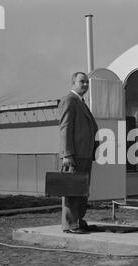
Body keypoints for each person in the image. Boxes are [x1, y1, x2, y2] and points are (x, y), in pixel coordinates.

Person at [58, 72, 98, 234]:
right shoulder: (69, 100)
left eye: (87, 82)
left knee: (82, 190)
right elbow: (65, 128)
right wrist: (67, 154)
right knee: (72, 190)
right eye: (82, 81)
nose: (85, 85)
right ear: (73, 83)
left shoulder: (80, 102)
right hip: (74, 155)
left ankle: (79, 221)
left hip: (85, 154)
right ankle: (70, 224)